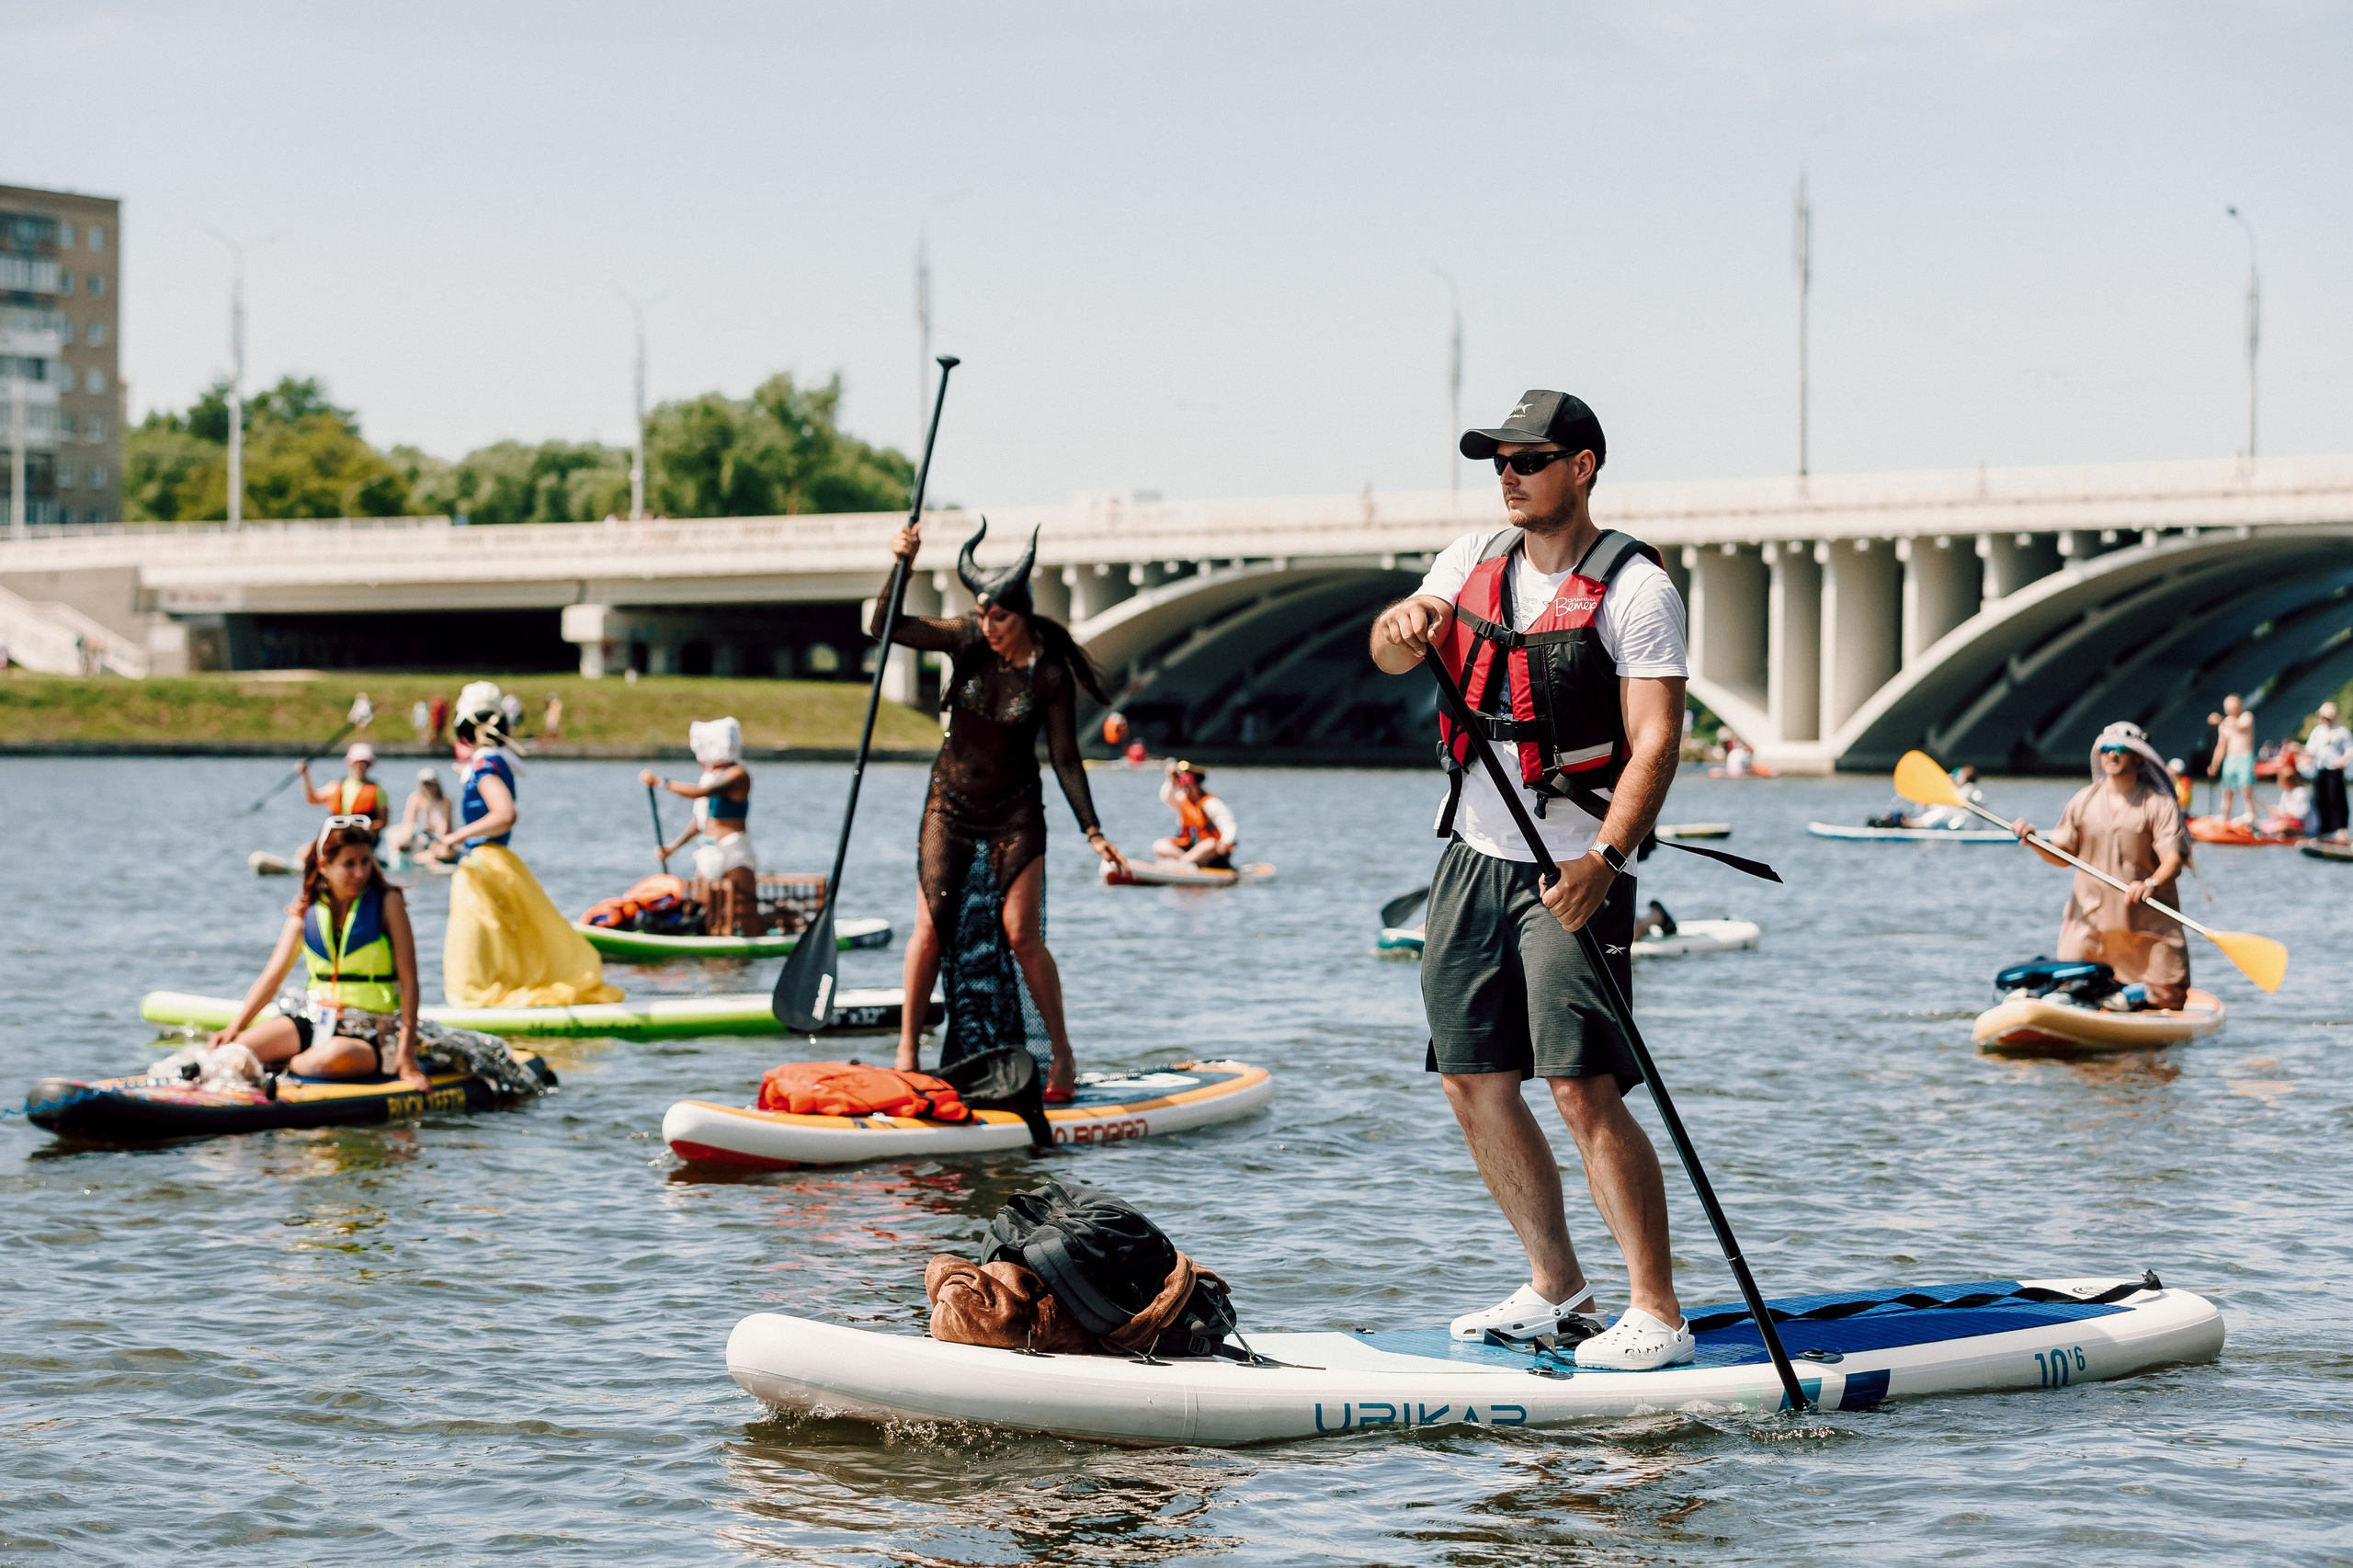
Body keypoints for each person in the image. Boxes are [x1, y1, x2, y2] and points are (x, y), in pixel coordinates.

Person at [1368, 388, 1694, 1371]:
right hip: (1471, 853)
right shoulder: (1468, 560)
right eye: (1496, 462)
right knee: (1471, 1077)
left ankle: (1658, 1313)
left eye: (1528, 459)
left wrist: (1607, 860)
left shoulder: (1637, 590)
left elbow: (1655, 741)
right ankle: (1557, 1286)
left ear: (1582, 465)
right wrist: (1406, 618)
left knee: (1581, 1086)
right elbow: (1388, 655)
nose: (1507, 475)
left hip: (1573, 864)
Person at [875, 518, 1129, 1100]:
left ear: (1025, 616)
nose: (988, 627)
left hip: (1015, 813)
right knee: (929, 932)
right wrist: (902, 563)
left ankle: (1061, 1057)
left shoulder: (1049, 675)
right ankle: (909, 1054)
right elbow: (883, 627)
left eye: (1000, 618)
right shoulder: (963, 637)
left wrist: (1093, 831)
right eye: (983, 615)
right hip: (949, 804)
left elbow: (1065, 759)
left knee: (1021, 936)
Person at [425, 682, 621, 1008]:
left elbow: (505, 814)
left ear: (469, 731)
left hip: (483, 866)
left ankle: (479, 1006)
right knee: (505, 941)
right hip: (497, 861)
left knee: (474, 950)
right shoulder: (498, 761)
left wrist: (453, 837)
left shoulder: (483, 765)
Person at [207, 817, 432, 1091]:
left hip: (373, 1031)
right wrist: (234, 1029)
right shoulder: (306, 913)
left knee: (329, 1058)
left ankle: (285, 1068)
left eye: (365, 861)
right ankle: (283, 1065)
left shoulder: (389, 904)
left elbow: (410, 983)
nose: (360, 873)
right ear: (325, 866)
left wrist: (406, 1055)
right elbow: (271, 979)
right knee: (233, 1055)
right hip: (316, 1020)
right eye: (349, 864)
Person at [2010, 722, 2189, 1011]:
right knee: (2076, 977)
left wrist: (2151, 884)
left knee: (2170, 994)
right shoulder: (2084, 800)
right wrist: (2033, 841)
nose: (2112, 756)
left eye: (2120, 750)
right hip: (2091, 920)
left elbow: (2173, 860)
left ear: (2138, 757)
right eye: (2105, 750)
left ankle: (2134, 998)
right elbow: (2062, 855)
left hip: (2145, 921)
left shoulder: (2159, 805)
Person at [643, 717, 759, 935]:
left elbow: (700, 793)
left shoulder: (738, 774)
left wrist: (662, 782)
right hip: (709, 850)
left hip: (734, 848)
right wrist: (673, 848)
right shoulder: (710, 776)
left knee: (746, 914)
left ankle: (754, 939)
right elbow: (700, 821)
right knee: (701, 911)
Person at [1153, 760, 1239, 869]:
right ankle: (1186, 863)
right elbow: (1166, 797)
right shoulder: (1182, 800)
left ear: (1197, 783)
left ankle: (1183, 863)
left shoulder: (1210, 803)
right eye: (1182, 784)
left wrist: (1225, 842)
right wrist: (1171, 778)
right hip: (1190, 848)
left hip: (1211, 852)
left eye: (1188, 784)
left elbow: (1228, 824)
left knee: (1210, 843)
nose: (1185, 788)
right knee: (1160, 845)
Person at [299, 744, 390, 832]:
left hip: (363, 836)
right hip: (337, 834)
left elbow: (383, 822)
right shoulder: (335, 787)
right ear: (350, 763)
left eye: (365, 763)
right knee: (307, 848)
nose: (361, 766)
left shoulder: (378, 790)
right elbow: (312, 799)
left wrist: (366, 829)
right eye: (357, 763)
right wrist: (305, 775)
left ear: (370, 765)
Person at [2206, 694, 2256, 824]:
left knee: (2246, 788)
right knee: (2227, 790)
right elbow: (2221, 746)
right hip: (2230, 759)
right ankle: (2225, 816)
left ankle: (2250, 815)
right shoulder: (2224, 724)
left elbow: (2240, 727)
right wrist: (2214, 764)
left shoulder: (2247, 716)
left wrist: (2221, 721)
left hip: (2244, 757)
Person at [2309, 701, 2351, 842]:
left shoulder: (2342, 732)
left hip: (2335, 769)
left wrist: (2342, 761)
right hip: (2321, 768)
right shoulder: (2317, 731)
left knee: (2337, 799)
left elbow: (2350, 750)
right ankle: (2323, 829)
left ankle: (2341, 830)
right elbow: (2311, 750)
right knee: (2319, 798)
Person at [388, 767, 452, 857]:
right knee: (399, 838)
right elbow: (408, 823)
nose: (428, 787)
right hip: (420, 837)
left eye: (431, 784)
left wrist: (436, 839)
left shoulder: (445, 801)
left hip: (439, 839)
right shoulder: (415, 799)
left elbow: (444, 826)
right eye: (425, 784)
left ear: (437, 784)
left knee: (442, 852)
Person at [1904, 765, 1984, 830]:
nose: (1957, 779)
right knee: (1940, 810)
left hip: (1967, 826)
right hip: (1956, 823)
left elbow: (1956, 800)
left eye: (1960, 776)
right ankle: (1912, 822)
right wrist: (1929, 804)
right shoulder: (1961, 790)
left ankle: (1912, 825)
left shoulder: (1970, 789)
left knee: (1942, 812)